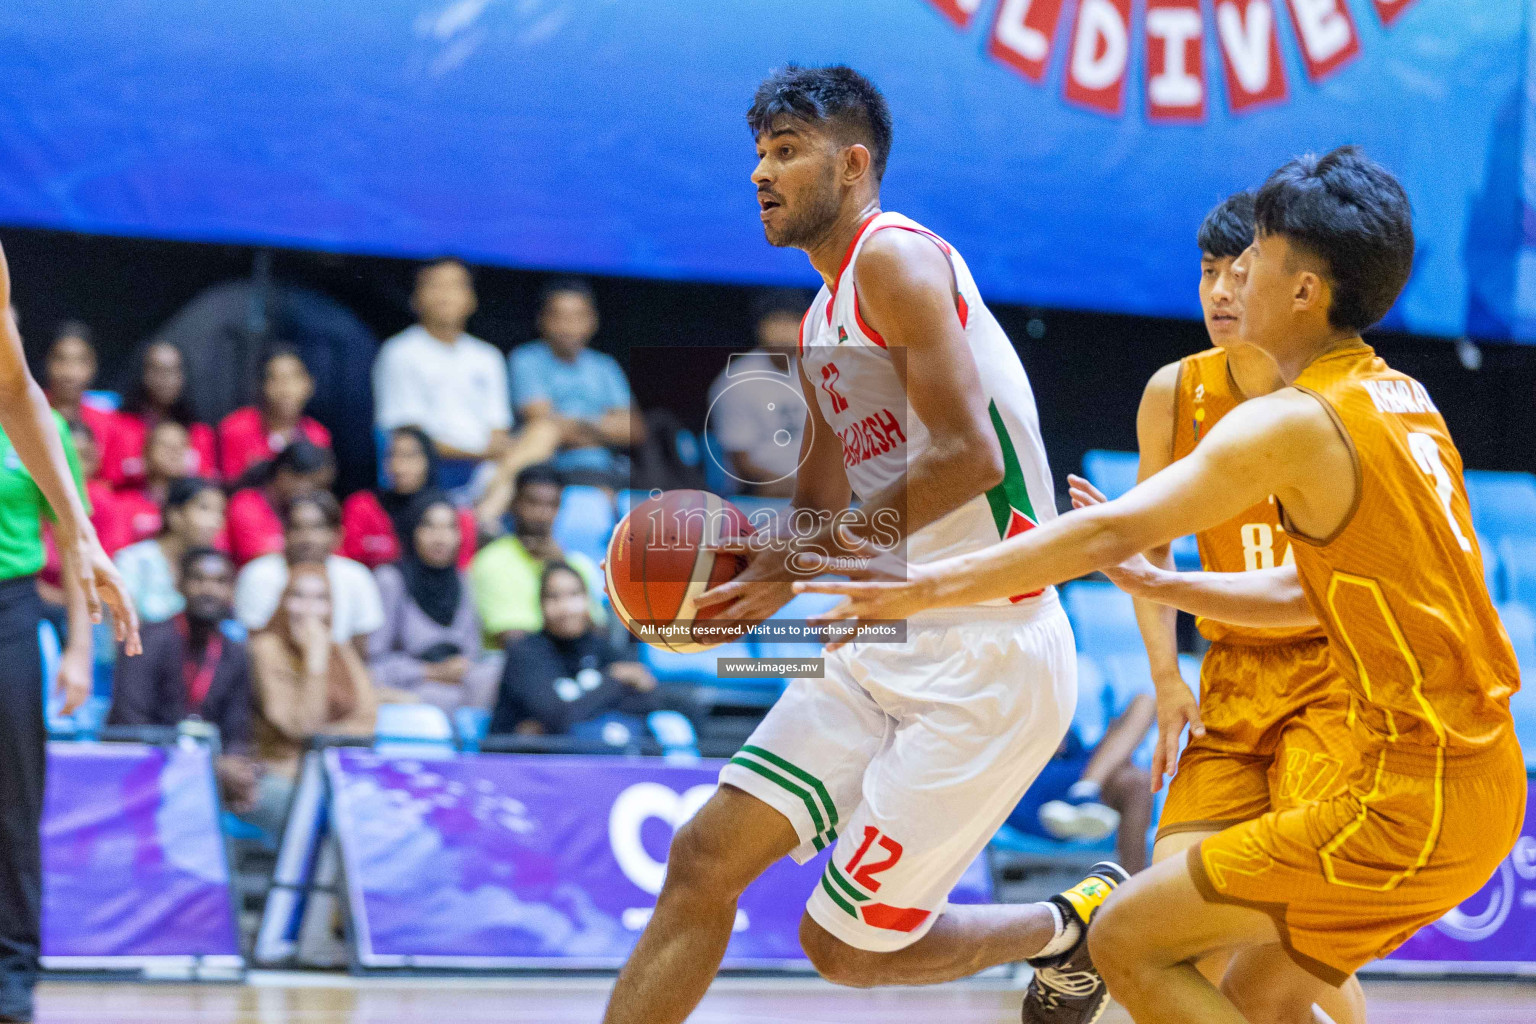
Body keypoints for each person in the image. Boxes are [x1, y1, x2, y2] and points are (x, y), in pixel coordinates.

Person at [798, 147, 1527, 1024]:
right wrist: (1159, 587)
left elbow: (1110, 526)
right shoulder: (1399, 395)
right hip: (1466, 772)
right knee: (1257, 995)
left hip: (1405, 783)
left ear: (1304, 291)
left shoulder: (1296, 421)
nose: (1231, 280)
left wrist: (924, 586)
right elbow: (1304, 590)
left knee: (1127, 939)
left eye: (1251, 258)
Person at [603, 67, 1118, 1024]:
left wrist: (793, 564)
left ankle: (1071, 922)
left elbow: (965, 459)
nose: (762, 172)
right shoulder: (823, 317)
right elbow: (821, 517)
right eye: (758, 153)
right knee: (703, 858)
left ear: (854, 162)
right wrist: (731, 576)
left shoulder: (897, 262)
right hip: (884, 635)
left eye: (787, 149)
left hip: (987, 659)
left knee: (839, 950)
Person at [1081, 191, 1367, 1022]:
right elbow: (1147, 550)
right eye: (1209, 274)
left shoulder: (1340, 395)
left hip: (1330, 683)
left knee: (1290, 927)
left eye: (1241, 274)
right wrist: (1167, 679)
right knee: (1169, 922)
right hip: (1233, 682)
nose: (1221, 294)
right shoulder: (1175, 391)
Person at [0, 241, 137, 1024]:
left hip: (11, 607)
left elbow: (17, 387)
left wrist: (82, 537)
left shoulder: (29, 420)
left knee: (14, 806)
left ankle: (14, 975)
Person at [105, 548, 259, 826]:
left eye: (219, 581)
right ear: (180, 584)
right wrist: (206, 764)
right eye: (198, 579)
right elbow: (129, 726)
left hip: (213, 778)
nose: (208, 590)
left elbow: (238, 729)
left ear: (231, 590)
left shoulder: (235, 654)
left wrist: (238, 768)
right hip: (145, 774)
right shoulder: (145, 642)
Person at [249, 565, 377, 837]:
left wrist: (323, 740)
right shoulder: (266, 649)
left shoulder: (341, 650)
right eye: (298, 596)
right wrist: (315, 661)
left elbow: (367, 722)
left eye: (320, 599)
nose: (309, 609)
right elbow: (300, 727)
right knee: (324, 811)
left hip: (335, 773)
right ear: (283, 601)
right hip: (281, 774)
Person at [372, 259, 512, 488]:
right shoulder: (400, 352)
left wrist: (490, 456)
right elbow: (409, 439)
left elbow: (499, 428)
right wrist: (479, 455)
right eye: (435, 285)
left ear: (471, 299)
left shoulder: (488, 356)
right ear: (416, 298)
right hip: (432, 471)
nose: (445, 295)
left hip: (485, 470)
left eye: (455, 286)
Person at [488, 561, 657, 737]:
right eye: (553, 597)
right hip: (523, 760)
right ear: (540, 604)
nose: (565, 608)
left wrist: (586, 704)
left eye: (574, 595)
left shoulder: (601, 646)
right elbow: (558, 718)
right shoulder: (525, 652)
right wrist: (613, 680)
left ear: (588, 599)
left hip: (591, 755)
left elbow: (647, 701)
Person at [368, 495, 500, 714]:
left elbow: (472, 654)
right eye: (429, 527)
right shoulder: (391, 579)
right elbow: (374, 662)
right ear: (412, 532)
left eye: (450, 528)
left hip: (463, 690)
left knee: (496, 669)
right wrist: (430, 671)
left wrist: (461, 668)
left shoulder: (463, 580)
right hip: (412, 691)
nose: (441, 538)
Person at [508, 279, 641, 489]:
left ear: (593, 321)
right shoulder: (526, 359)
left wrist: (573, 427)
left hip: (606, 470)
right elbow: (544, 424)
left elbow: (632, 429)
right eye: (559, 317)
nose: (568, 326)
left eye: (577, 317)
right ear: (542, 319)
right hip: (549, 471)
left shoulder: (604, 366)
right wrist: (603, 428)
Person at [1007, 690, 1155, 874]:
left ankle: (1132, 892)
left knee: (1136, 779)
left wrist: (1114, 737)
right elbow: (1054, 744)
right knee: (1131, 774)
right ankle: (1085, 790)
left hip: (1081, 778)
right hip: (1037, 789)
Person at [470, 463, 603, 648]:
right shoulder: (491, 561)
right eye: (533, 503)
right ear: (514, 504)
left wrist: (560, 565)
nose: (542, 514)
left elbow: (597, 633)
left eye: (551, 505)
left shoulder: (576, 564)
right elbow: (513, 642)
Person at [235, 492, 384, 656]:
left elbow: (359, 650)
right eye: (297, 527)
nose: (306, 538)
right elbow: (254, 646)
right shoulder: (259, 574)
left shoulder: (356, 576)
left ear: (337, 535)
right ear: (284, 531)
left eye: (317, 527)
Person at [705, 289, 808, 497]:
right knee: (777, 488)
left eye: (791, 322)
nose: (784, 331)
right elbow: (741, 462)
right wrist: (796, 484)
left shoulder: (820, 369)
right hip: (758, 487)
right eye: (776, 322)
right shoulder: (737, 379)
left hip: (814, 478)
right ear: (760, 327)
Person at [339, 426, 477, 570]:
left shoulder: (450, 513)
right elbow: (344, 564)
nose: (398, 465)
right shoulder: (363, 507)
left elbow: (462, 572)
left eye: (409, 455)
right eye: (392, 455)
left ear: (428, 460)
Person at [113, 477, 228, 624]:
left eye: (221, 512)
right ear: (175, 515)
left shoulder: (213, 567)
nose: (216, 521)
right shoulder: (134, 561)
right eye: (204, 508)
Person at [107, 339, 216, 489]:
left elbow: (207, 486)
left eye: (172, 371)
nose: (165, 379)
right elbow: (110, 480)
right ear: (142, 373)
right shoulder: (120, 427)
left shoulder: (200, 434)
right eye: (156, 370)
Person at [216, 346, 332, 483]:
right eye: (275, 379)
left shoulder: (318, 436)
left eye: (293, 378)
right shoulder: (235, 429)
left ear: (308, 384)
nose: (286, 389)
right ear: (262, 385)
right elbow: (231, 487)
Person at [225, 438, 334, 566]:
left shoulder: (302, 509)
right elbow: (257, 554)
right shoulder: (246, 503)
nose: (312, 491)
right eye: (311, 483)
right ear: (284, 475)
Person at [42, 323, 124, 476]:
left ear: (93, 366)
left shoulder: (110, 426)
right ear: (47, 363)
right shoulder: (27, 415)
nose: (69, 373)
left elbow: (111, 485)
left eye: (80, 361)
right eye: (61, 359)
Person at [114, 420, 193, 544]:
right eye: (166, 445)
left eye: (181, 446)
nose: (175, 452)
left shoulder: (196, 506)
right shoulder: (124, 505)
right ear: (146, 452)